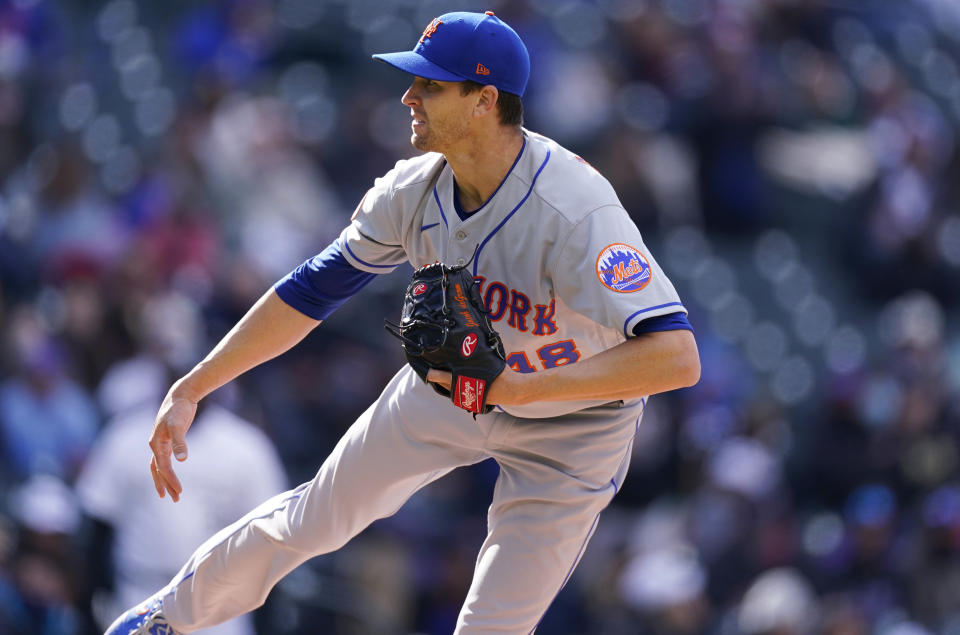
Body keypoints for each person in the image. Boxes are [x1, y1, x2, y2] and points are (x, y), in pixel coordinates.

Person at [105, 10, 700, 635]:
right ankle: (163, 622)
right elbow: (310, 293)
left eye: (432, 86)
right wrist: (195, 384)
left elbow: (677, 357)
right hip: (454, 390)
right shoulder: (411, 192)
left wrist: (521, 391)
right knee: (317, 516)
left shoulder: (576, 211)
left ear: (485, 100)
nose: (408, 95)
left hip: (579, 426)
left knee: (494, 625)